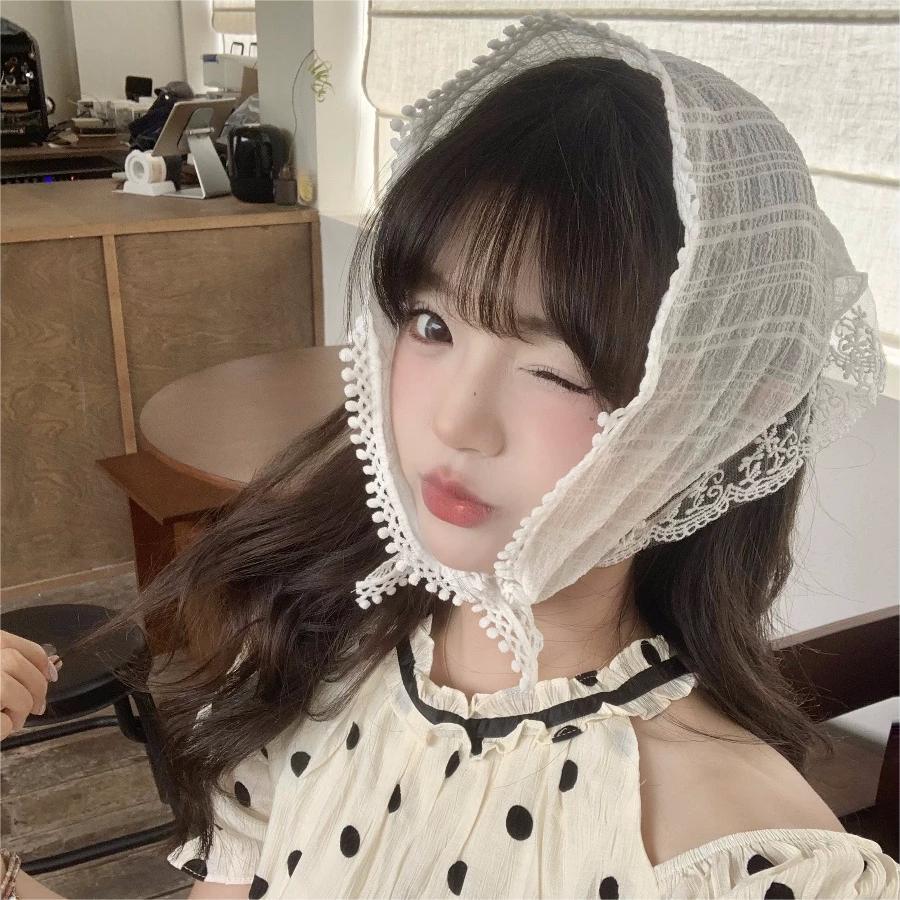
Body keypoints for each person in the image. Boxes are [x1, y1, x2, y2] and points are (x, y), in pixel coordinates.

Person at [2, 11, 897, 899]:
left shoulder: (747, 866)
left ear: (709, 413)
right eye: (432, 325)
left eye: (558, 370)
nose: (458, 421)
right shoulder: (311, 665)